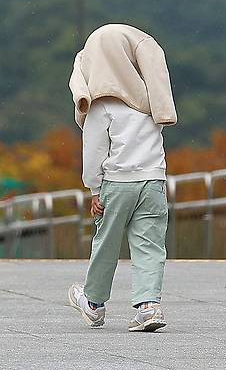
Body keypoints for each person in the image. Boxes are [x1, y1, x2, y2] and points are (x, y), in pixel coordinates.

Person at [67, 24, 177, 331]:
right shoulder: (149, 95)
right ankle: (148, 306)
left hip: (117, 183)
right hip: (154, 181)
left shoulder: (102, 106)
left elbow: (94, 152)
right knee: (150, 245)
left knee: (107, 243)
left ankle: (93, 303)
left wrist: (94, 189)